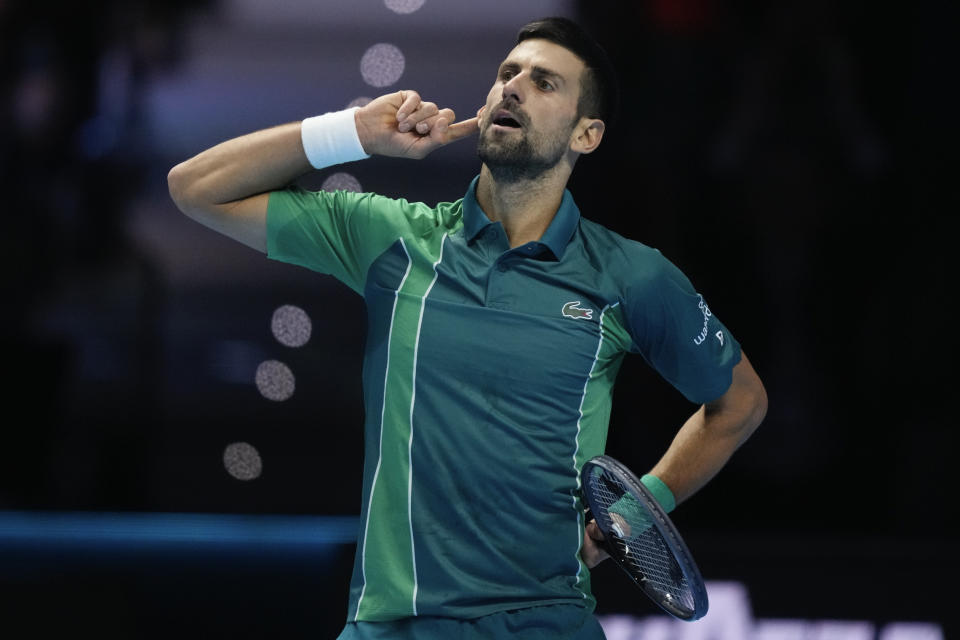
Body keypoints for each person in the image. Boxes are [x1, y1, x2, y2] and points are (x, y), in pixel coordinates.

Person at [168, 16, 767, 640]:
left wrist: (637, 512)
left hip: (545, 625)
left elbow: (740, 403)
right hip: (390, 628)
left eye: (544, 83)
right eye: (507, 74)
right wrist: (354, 133)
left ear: (586, 135)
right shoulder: (394, 240)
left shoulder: (629, 277)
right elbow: (195, 189)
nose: (512, 88)